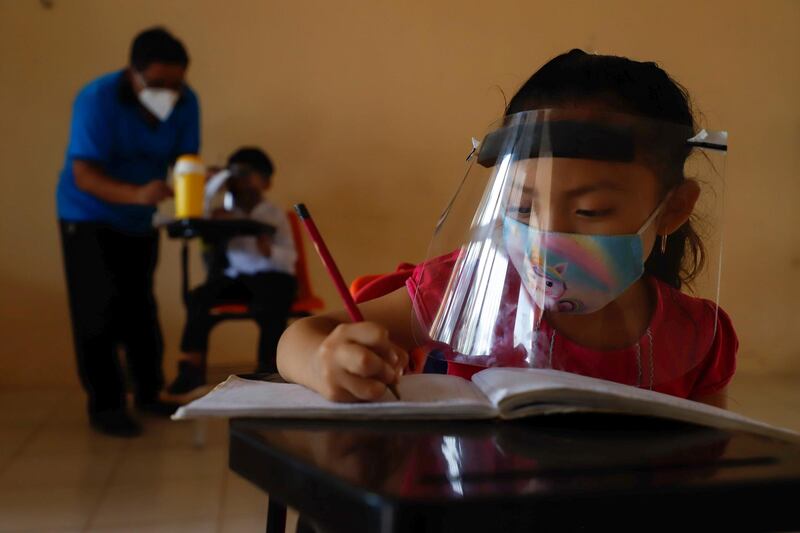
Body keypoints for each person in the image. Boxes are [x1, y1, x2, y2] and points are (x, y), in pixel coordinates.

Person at [276, 49, 737, 408]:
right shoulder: (463, 288)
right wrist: (324, 363)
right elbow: (297, 338)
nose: (547, 236)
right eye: (520, 206)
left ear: (674, 209)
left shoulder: (700, 337)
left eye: (591, 211)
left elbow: (709, 471)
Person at [57, 27, 200, 436]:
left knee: (140, 308)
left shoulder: (186, 102)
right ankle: (106, 404)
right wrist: (137, 193)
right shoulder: (96, 99)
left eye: (177, 84)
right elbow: (82, 173)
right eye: (157, 84)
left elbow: (186, 159)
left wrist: (197, 190)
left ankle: (150, 392)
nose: (169, 93)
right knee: (96, 310)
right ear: (132, 73)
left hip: (140, 220)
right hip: (85, 216)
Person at [164, 147, 297, 401]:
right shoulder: (222, 210)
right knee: (200, 298)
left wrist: (269, 251)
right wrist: (213, 183)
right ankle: (191, 368)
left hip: (272, 275)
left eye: (248, 174)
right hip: (238, 279)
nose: (240, 181)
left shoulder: (274, 215)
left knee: (270, 306)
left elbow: (290, 258)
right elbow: (196, 216)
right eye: (235, 175)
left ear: (265, 182)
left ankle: (269, 369)